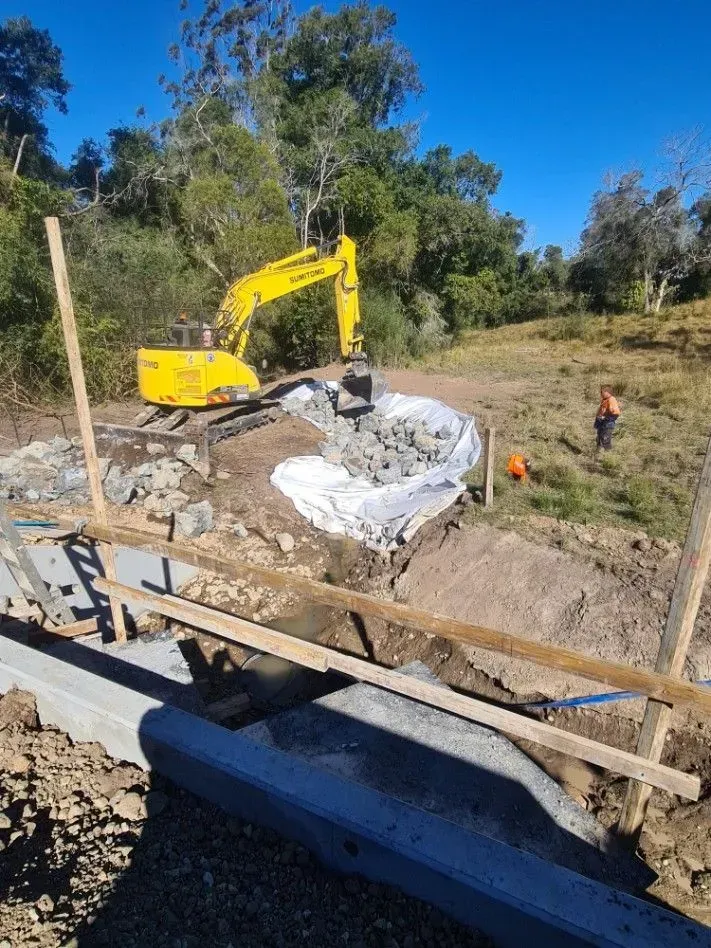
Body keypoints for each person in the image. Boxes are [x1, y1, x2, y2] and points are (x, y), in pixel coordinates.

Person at [594, 385, 621, 452]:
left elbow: (616, 413)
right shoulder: (605, 400)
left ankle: (608, 455)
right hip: (602, 423)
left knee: (605, 439)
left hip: (608, 424)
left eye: (601, 392)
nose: (600, 394)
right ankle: (597, 453)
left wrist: (606, 418)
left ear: (607, 392)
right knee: (599, 438)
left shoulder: (611, 400)